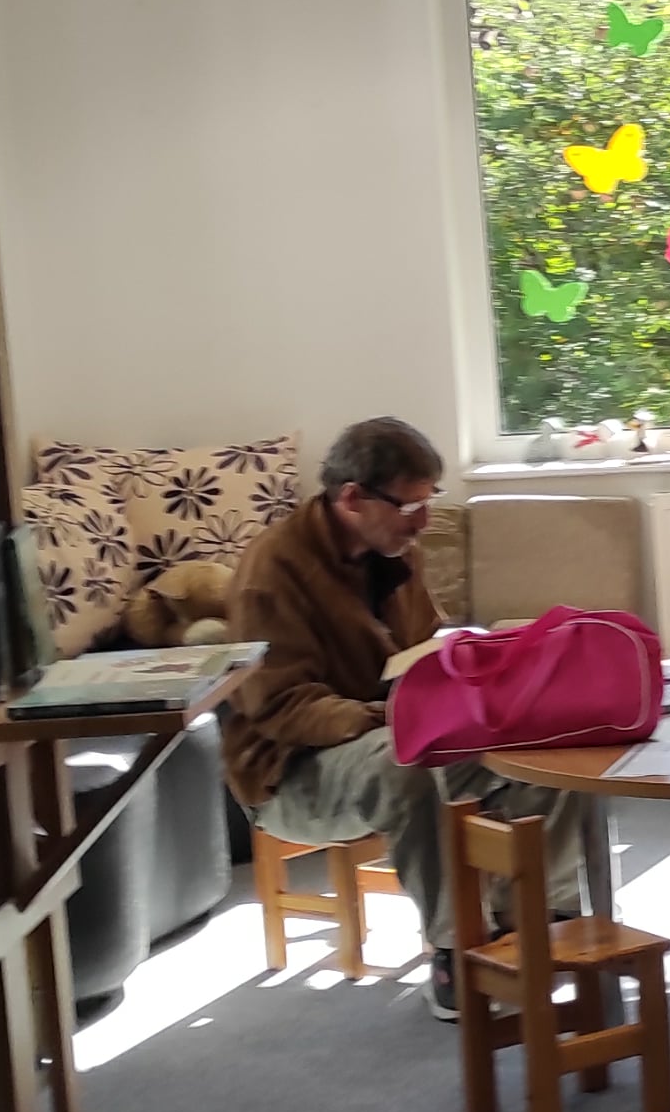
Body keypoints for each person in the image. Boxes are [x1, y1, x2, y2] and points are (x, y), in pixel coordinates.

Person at [220, 416, 580, 1021]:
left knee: (551, 745)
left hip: (390, 729)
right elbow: (280, 707)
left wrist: (479, 673)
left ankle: (541, 919)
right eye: (410, 506)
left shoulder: (395, 554)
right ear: (352, 499)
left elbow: (423, 650)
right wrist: (393, 717)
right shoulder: (272, 573)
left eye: (429, 501)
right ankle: (457, 950)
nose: (424, 522)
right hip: (290, 769)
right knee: (404, 765)